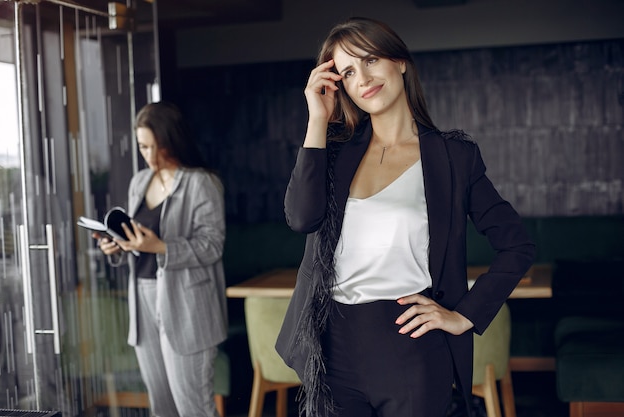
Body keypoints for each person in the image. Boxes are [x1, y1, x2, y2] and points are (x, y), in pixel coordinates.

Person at [275, 17, 535, 417]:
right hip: (332, 349)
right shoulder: (335, 153)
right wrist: (316, 120)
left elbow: (516, 245)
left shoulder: (453, 158)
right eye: (347, 72)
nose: (362, 77)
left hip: (409, 345)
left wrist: (464, 315)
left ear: (399, 62)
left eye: (370, 59)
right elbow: (301, 218)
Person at [94, 101, 228, 417]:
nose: (150, 156)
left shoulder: (201, 183)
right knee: (162, 408)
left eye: (157, 147)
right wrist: (119, 245)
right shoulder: (140, 182)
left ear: (173, 141)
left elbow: (212, 246)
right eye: (143, 147)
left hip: (186, 305)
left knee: (193, 408)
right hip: (143, 300)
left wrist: (163, 247)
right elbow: (139, 241)